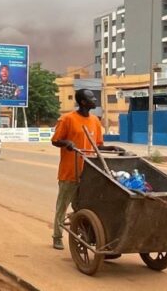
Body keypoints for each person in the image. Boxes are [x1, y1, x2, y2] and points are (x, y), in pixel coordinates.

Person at [50, 89, 123, 250]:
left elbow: (98, 145)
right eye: (91, 98)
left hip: (89, 174)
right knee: (63, 205)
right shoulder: (67, 119)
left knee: (86, 207)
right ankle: (57, 236)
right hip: (70, 172)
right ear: (83, 102)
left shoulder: (95, 121)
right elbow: (55, 140)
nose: (95, 100)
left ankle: (86, 235)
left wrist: (111, 148)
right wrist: (66, 143)